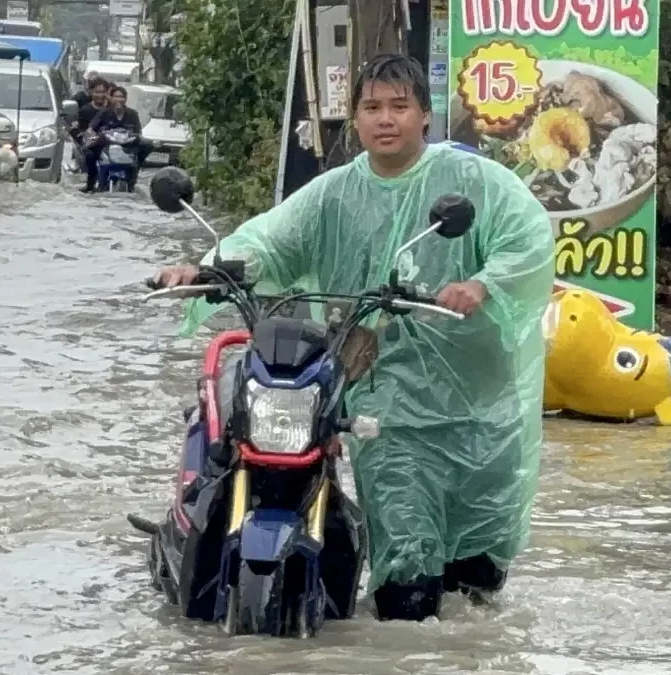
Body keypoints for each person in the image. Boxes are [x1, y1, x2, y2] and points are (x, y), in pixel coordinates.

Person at [150, 54, 555, 621]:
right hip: (388, 406)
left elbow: (530, 240)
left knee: (478, 585)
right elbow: (270, 239)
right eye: (371, 107)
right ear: (356, 120)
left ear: (424, 116)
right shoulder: (333, 194)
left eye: (398, 106)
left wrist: (484, 284)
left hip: (482, 405)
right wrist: (208, 268)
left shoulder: (475, 182)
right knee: (406, 585)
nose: (384, 119)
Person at [81, 85, 147, 192]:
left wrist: (133, 137)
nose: (119, 100)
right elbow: (92, 127)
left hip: (127, 145)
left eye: (121, 97)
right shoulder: (104, 113)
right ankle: (90, 183)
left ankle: (132, 181)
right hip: (106, 144)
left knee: (146, 145)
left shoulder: (133, 114)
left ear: (126, 99)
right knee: (89, 154)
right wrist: (91, 136)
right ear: (111, 98)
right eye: (116, 97)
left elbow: (137, 131)